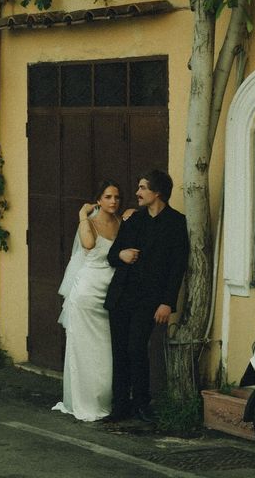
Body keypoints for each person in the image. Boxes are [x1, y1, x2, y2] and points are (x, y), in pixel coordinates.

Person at [104, 170, 189, 422]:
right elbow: (111, 255)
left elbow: (177, 267)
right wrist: (122, 256)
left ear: (157, 193)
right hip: (122, 297)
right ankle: (120, 405)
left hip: (149, 300)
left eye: (142, 188)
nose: (137, 193)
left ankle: (142, 404)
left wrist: (167, 302)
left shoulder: (176, 223)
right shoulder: (133, 221)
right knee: (120, 351)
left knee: (137, 348)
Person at [52, 180, 122, 421]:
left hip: (110, 291)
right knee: (85, 348)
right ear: (99, 200)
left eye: (116, 197)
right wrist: (83, 215)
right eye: (108, 197)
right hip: (87, 291)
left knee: (105, 348)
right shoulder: (89, 223)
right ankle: (83, 401)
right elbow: (89, 244)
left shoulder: (121, 222)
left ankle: (104, 399)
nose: (113, 201)